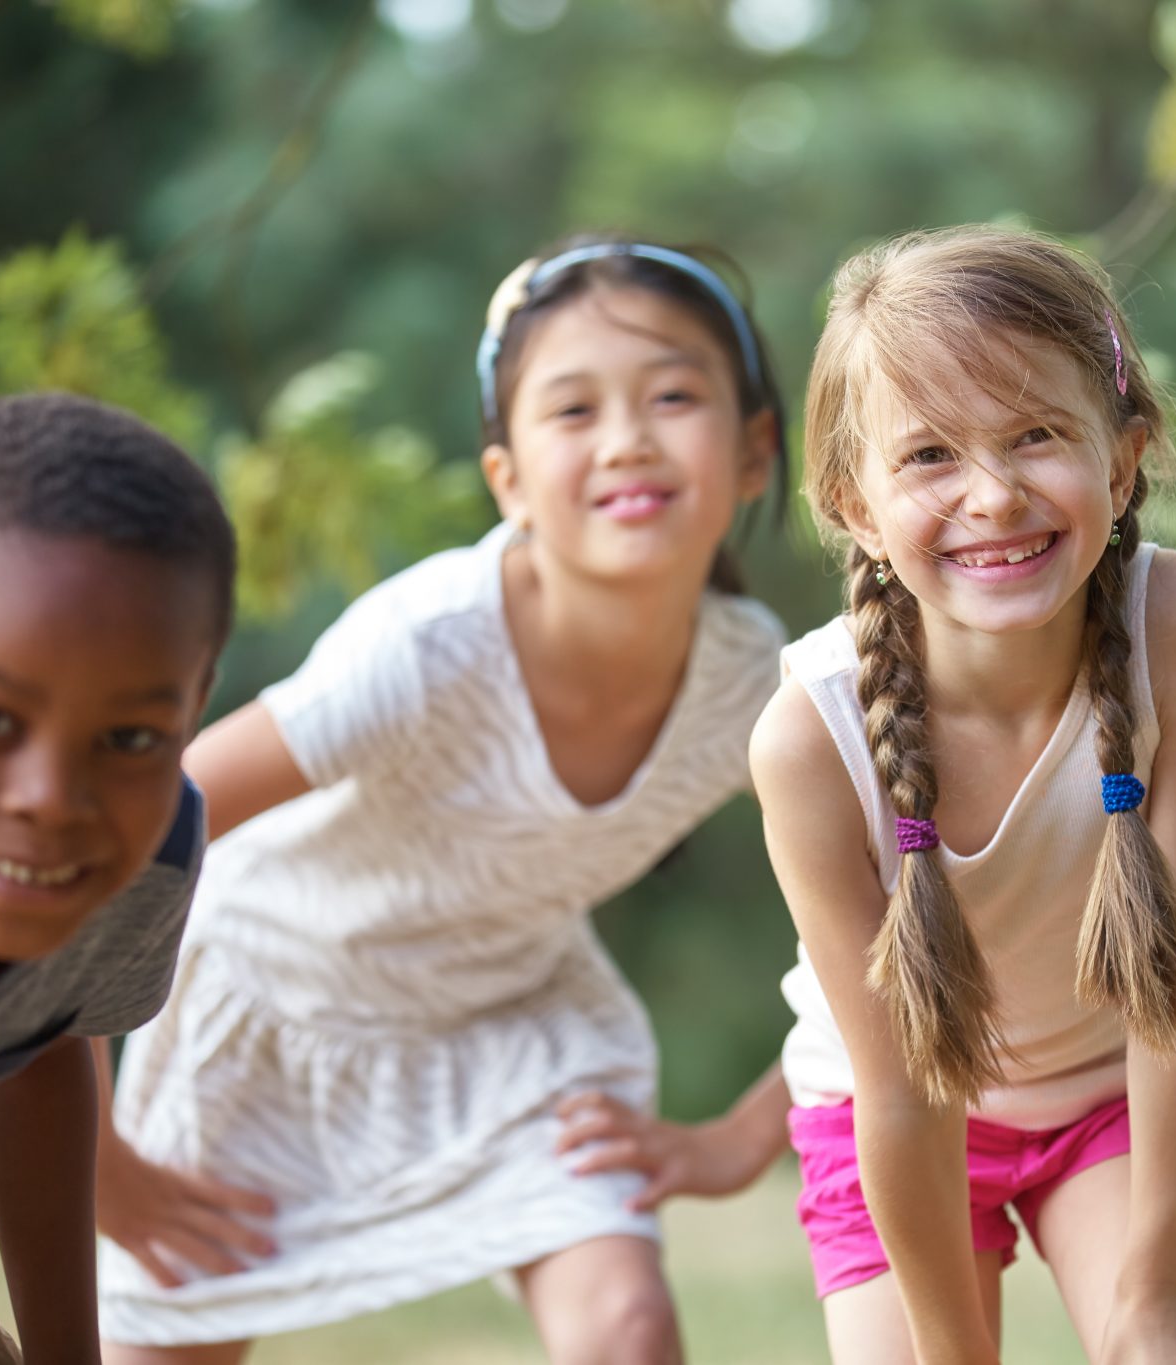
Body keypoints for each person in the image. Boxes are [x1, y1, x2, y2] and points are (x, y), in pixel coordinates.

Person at [93, 236, 795, 1365]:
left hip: (510, 1031)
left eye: (672, 395)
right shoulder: (425, 649)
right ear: (506, 477)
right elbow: (118, 833)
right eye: (572, 410)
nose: (626, 438)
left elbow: (907, 913)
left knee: (626, 1325)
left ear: (755, 451)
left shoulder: (754, 686)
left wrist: (742, 1141)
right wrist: (100, 1168)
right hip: (266, 1018)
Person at [752, 225, 1176, 1364]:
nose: (992, 494)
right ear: (855, 507)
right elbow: (901, 1094)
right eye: (928, 455)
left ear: (1122, 463)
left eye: (1036, 434)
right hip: (891, 1118)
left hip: (1108, 1098)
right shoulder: (809, 741)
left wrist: (1160, 1288)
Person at [0, 393, 234, 1365]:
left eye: (130, 738)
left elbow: (33, 1044)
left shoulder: (147, 856)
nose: (54, 799)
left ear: (198, 701)